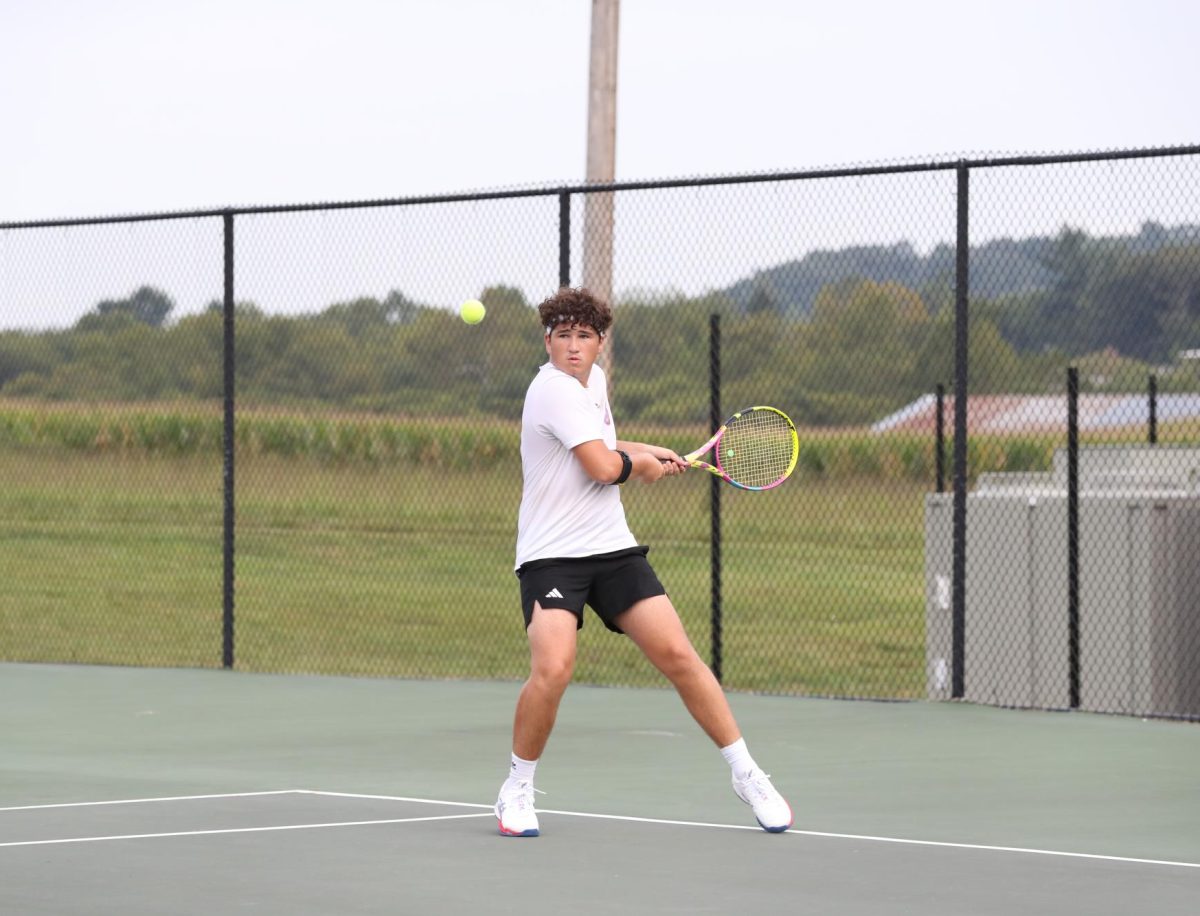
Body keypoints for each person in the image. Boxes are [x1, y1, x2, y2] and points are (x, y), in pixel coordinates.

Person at [494, 287, 792, 837]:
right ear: (548, 340)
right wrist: (642, 468)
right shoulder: (551, 391)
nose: (574, 347)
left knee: (679, 655)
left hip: (611, 548)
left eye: (585, 336)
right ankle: (517, 785)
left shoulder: (595, 383)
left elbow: (605, 443)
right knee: (554, 667)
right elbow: (604, 468)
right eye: (564, 336)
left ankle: (746, 773)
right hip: (552, 558)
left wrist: (649, 449)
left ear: (600, 342)